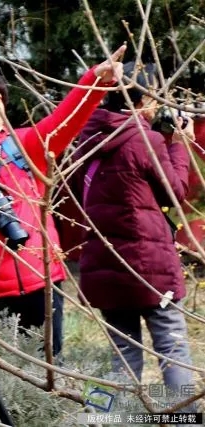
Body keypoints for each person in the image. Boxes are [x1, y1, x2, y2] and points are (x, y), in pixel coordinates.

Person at [0, 46, 126, 356]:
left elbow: (66, 120)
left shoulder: (24, 146)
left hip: (43, 284)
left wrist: (96, 79)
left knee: (48, 374)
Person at [72, 61, 196, 403]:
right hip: (148, 266)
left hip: (105, 263)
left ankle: (104, 420)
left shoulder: (91, 136)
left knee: (121, 354)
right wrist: (179, 143)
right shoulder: (146, 139)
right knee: (172, 347)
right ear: (142, 100)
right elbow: (175, 192)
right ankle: (184, 423)